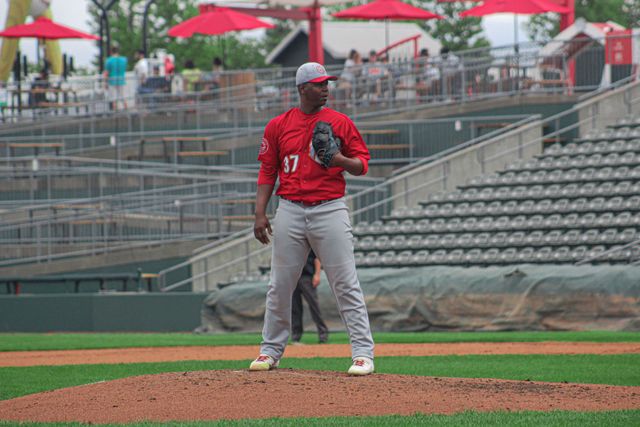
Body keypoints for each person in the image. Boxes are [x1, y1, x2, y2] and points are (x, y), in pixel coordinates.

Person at [250, 62, 375, 376]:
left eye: (327, 83)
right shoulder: (278, 125)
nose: (326, 88)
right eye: (319, 84)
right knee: (279, 285)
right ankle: (269, 351)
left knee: (345, 282)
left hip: (329, 207)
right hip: (290, 208)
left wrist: (339, 159)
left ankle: (362, 354)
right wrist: (260, 212)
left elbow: (363, 165)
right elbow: (268, 170)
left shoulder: (339, 122)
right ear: (302, 88)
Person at [291, 250, 329, 344]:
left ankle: (323, 334)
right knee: (295, 308)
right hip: (293, 277)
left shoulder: (309, 240)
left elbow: (317, 258)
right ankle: (296, 336)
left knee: (314, 306)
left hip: (307, 277)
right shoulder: (292, 242)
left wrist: (317, 274)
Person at [103, 45, 128, 111]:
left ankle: (115, 112)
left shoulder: (109, 60)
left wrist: (105, 83)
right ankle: (126, 109)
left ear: (111, 51)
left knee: (114, 98)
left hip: (112, 80)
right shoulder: (124, 59)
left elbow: (106, 72)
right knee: (123, 96)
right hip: (121, 80)